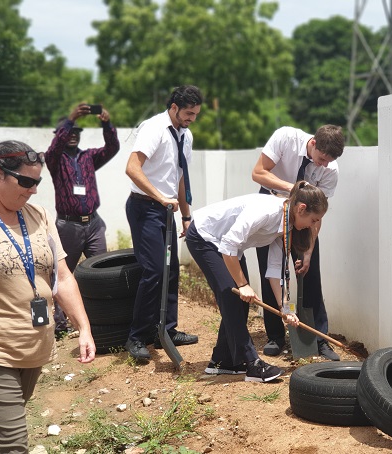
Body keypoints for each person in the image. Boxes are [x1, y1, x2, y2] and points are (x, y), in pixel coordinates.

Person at [0, 140, 96, 451]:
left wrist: (84, 328)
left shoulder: (38, 215)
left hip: (34, 348)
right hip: (1, 349)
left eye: (37, 182)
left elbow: (63, 278)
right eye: (25, 181)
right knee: (14, 444)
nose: (33, 190)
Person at [185, 181, 328, 382]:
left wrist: (284, 308)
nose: (313, 226)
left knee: (240, 302)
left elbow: (274, 271)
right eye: (314, 220)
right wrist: (242, 285)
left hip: (230, 247)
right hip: (206, 237)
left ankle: (223, 362)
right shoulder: (267, 211)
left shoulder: (286, 226)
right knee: (232, 295)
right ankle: (252, 364)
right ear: (301, 208)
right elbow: (228, 244)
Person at [252, 124, 345, 360]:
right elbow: (259, 172)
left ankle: (319, 339)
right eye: (321, 158)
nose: (323, 165)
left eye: (328, 161)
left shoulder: (330, 169)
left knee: (311, 275)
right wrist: (295, 191)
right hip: (270, 211)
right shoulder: (286, 138)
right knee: (270, 272)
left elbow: (317, 213)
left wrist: (309, 251)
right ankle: (275, 336)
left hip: (303, 218)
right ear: (313, 143)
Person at [124, 85, 202, 362]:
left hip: (167, 211)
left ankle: (166, 330)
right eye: (188, 113)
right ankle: (137, 336)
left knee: (171, 271)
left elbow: (180, 177)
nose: (192, 118)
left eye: (195, 114)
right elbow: (132, 168)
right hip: (145, 208)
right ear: (173, 108)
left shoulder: (185, 135)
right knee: (154, 270)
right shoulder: (154, 128)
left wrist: (186, 215)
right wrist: (159, 197)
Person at [45, 103, 120, 338]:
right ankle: (59, 323)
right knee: (62, 273)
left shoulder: (88, 157)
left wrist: (107, 124)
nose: (73, 136)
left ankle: (101, 317)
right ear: (61, 135)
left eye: (77, 133)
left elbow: (112, 147)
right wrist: (70, 119)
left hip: (94, 224)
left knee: (101, 270)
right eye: (70, 133)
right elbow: (55, 147)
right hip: (69, 226)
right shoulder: (54, 160)